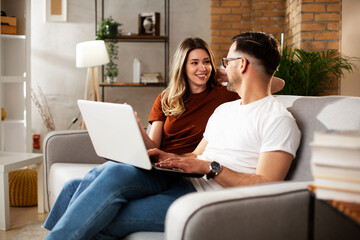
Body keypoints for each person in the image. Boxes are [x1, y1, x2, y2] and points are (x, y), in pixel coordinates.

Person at [44, 32, 298, 240]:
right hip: (183, 180)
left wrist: (209, 167)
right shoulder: (225, 110)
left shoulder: (277, 119)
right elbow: (197, 155)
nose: (219, 66)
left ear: (242, 64)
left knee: (103, 215)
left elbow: (267, 185)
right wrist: (167, 157)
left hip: (206, 199)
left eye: (226, 61)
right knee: (107, 174)